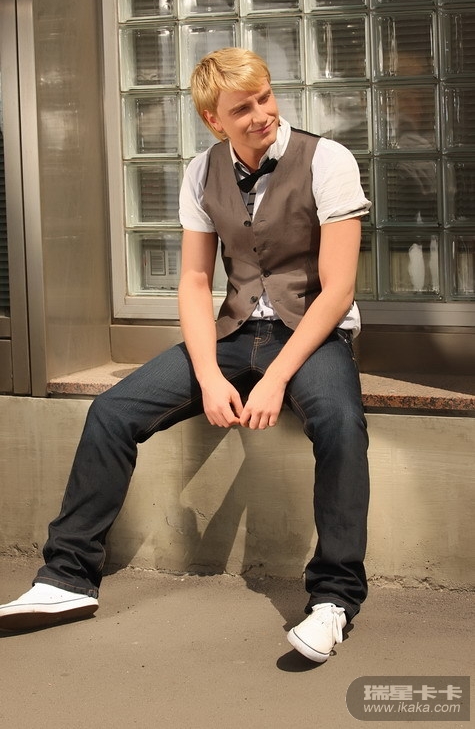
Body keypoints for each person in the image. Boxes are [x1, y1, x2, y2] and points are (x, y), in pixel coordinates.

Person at [0, 48, 370, 664]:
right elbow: (196, 283)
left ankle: (334, 598)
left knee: (340, 422)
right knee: (112, 412)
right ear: (213, 120)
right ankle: (66, 579)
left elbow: (338, 290)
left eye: (265, 98)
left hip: (311, 332)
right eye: (242, 109)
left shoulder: (327, 160)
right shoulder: (201, 172)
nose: (262, 114)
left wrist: (276, 379)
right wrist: (209, 376)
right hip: (234, 332)